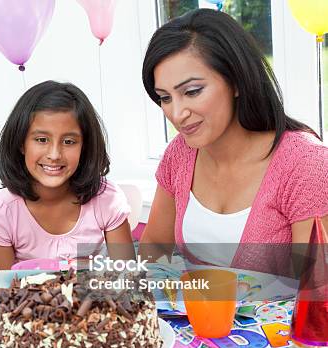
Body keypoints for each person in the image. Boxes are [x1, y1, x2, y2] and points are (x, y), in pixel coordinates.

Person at [139, 9, 328, 272]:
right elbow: (155, 250)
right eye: (165, 97)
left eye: (192, 91)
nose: (177, 114)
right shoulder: (180, 153)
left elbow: (316, 291)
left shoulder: (306, 164)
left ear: (236, 81)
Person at [0, 80, 135, 269]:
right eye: (42, 140)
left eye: (69, 141)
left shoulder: (106, 199)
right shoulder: (0, 214)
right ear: (21, 143)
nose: (54, 155)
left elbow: (130, 281)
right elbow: (4, 291)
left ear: (84, 147)